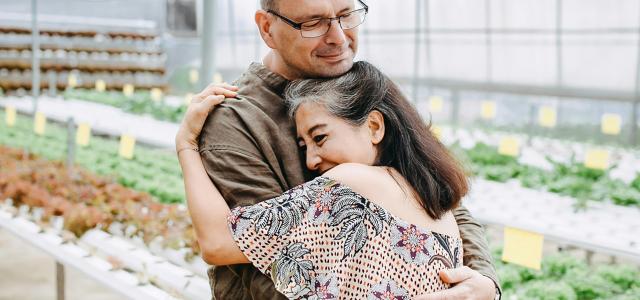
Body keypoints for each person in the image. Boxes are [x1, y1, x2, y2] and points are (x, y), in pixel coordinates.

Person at [189, 0, 500, 299]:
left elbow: (436, 192)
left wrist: (485, 281)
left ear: (375, 126)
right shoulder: (236, 119)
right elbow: (259, 263)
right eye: (313, 23)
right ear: (267, 27)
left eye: (346, 15)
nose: (338, 37)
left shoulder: (357, 85)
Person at [177, 61, 467, 299]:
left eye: (320, 137)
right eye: (304, 146)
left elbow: (217, 243)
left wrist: (186, 145)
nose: (311, 161)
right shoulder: (441, 211)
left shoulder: (351, 183)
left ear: (375, 127)